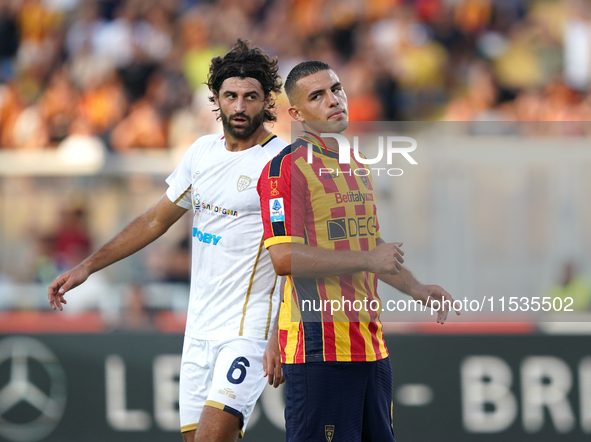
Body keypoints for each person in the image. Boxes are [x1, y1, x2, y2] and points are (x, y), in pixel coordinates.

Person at [48, 39, 288, 442]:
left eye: (251, 97)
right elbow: (155, 220)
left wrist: (282, 334)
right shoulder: (201, 153)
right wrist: (87, 266)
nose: (240, 107)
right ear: (216, 99)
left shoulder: (282, 162)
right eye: (230, 96)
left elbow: (295, 255)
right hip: (198, 330)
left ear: (267, 100)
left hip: (248, 330)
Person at [257, 61, 459, 441]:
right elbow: (284, 258)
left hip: (369, 344)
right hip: (319, 349)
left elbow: (372, 246)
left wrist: (416, 288)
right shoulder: (285, 169)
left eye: (336, 89)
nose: (333, 100)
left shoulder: (357, 164)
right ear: (297, 114)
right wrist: (276, 337)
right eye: (317, 96)